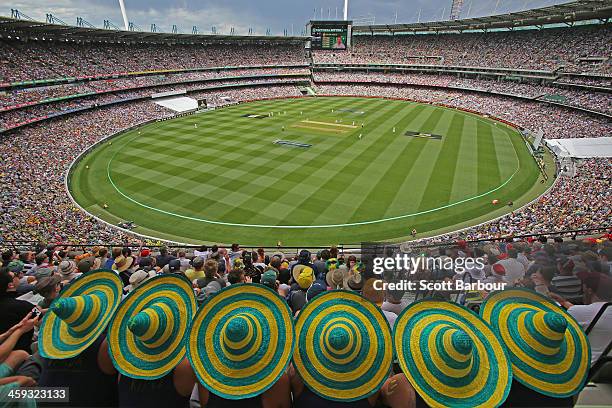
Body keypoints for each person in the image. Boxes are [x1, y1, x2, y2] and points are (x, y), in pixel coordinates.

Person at [0, 269, 36, 352]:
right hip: (20, 353)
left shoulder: (24, 305)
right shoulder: (24, 306)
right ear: (10, 285)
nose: (18, 277)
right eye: (15, 276)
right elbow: (41, 318)